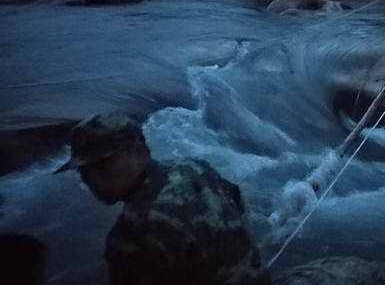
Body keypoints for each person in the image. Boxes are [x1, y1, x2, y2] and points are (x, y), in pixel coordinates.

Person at [55, 112, 271, 285]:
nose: (91, 179)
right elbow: (236, 202)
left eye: (102, 164)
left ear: (139, 153)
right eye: (83, 171)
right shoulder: (194, 168)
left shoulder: (132, 235)